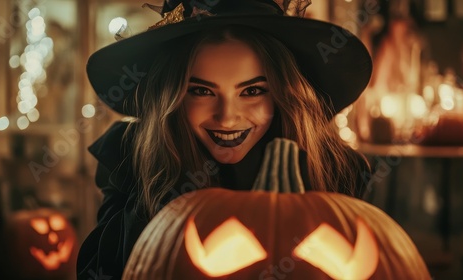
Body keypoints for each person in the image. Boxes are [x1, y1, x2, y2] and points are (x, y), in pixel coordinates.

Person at [77, 0, 373, 279]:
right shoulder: (129, 155)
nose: (227, 117)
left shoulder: (336, 168)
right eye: (201, 91)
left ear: (284, 93)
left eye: (253, 91)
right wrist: (161, 185)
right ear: (173, 96)